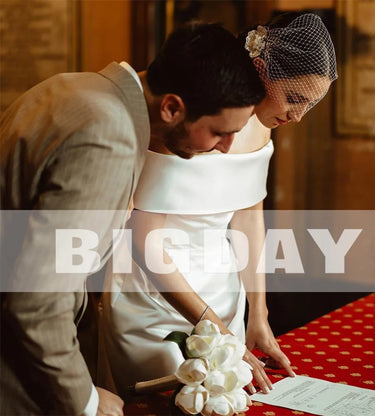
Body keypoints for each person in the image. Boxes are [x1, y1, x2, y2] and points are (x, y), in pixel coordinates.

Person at [0, 22, 265, 416]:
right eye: (218, 133)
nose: (226, 149)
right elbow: (37, 301)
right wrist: (87, 400)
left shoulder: (76, 87)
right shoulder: (109, 138)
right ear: (172, 107)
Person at [98, 12, 338, 398]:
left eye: (309, 105)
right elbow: (144, 241)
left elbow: (247, 219)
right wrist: (219, 334)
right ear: (261, 70)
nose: (298, 116)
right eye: (293, 99)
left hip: (224, 292)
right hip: (156, 291)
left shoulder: (266, 123)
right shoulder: (188, 120)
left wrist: (257, 313)